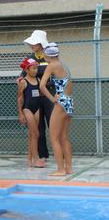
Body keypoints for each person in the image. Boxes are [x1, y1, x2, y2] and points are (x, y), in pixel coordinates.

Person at [18, 30, 55, 162]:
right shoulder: (30, 58)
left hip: (49, 95)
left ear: (41, 43)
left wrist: (43, 84)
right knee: (38, 127)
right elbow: (22, 75)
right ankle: (42, 155)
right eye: (31, 43)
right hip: (34, 98)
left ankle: (59, 153)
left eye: (35, 43)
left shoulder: (49, 57)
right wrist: (20, 79)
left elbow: (55, 76)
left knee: (53, 124)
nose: (32, 45)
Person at [40, 43, 73, 176]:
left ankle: (60, 169)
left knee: (54, 137)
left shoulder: (52, 66)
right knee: (64, 137)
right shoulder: (63, 64)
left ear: (47, 55)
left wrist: (52, 99)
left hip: (60, 102)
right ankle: (69, 168)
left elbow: (42, 86)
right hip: (69, 101)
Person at [17, 58, 45, 168]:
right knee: (36, 134)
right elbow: (19, 98)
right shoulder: (23, 82)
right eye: (33, 68)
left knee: (32, 135)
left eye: (36, 68)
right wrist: (20, 113)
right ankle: (36, 159)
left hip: (36, 108)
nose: (36, 70)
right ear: (27, 70)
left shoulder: (38, 80)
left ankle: (29, 158)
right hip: (27, 109)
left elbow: (41, 93)